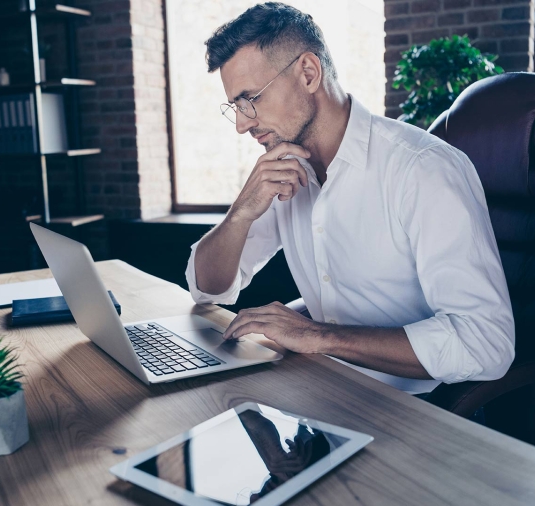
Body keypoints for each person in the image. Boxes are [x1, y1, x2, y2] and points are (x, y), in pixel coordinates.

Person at [184, 2, 515, 394]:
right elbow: (207, 288)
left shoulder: (422, 169)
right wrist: (240, 214)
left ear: (308, 73)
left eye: (250, 99)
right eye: (235, 107)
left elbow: (487, 343)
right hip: (319, 388)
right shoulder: (283, 169)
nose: (241, 124)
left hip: (413, 409)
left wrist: (318, 336)